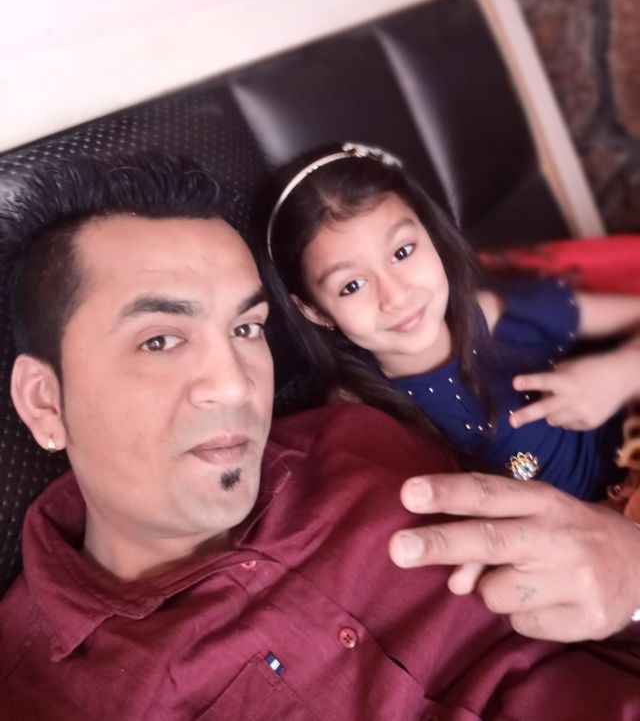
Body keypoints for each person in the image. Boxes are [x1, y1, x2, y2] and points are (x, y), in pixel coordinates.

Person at [1, 155, 640, 720]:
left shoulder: (363, 441)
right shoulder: (50, 697)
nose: (235, 384)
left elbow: (574, 575)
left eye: (246, 330)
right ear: (45, 401)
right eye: (161, 340)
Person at [263, 142, 640, 500]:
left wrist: (619, 374)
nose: (397, 296)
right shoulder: (361, 417)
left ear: (431, 234)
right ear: (315, 310)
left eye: (403, 252)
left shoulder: (501, 313)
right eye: (352, 285)